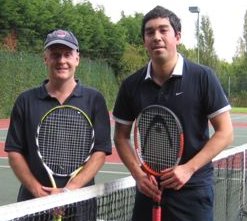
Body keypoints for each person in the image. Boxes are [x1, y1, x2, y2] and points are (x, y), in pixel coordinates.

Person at [113, 6, 233, 221]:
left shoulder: (203, 77)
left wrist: (188, 169)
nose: (156, 37)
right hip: (149, 190)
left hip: (193, 189)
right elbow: (120, 136)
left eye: (163, 30)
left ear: (177, 36)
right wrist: (138, 175)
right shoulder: (131, 85)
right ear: (144, 41)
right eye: (150, 32)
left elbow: (225, 132)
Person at [5, 29, 112, 220]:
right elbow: (15, 152)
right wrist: (38, 192)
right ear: (45, 59)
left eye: (67, 54)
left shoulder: (95, 100)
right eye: (55, 55)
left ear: (77, 59)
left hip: (81, 206)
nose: (62, 60)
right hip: (33, 204)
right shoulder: (25, 100)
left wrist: (68, 192)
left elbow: (100, 152)